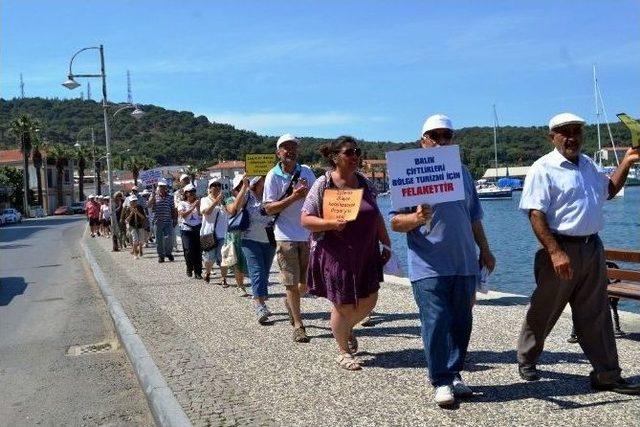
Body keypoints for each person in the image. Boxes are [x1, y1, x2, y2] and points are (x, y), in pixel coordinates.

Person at [516, 112, 640, 395]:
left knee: (596, 313)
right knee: (545, 310)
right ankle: (527, 358)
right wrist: (556, 252)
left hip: (592, 247)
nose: (571, 137)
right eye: (564, 132)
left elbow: (607, 190)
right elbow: (536, 214)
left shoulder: (587, 164)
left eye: (576, 131)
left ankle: (607, 374)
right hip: (559, 248)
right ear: (553, 137)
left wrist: (627, 162)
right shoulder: (543, 168)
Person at [390, 114, 495, 406]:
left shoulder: (462, 172)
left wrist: (485, 250)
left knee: (462, 321)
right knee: (436, 321)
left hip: (463, 262)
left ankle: (455, 372)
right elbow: (396, 223)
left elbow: (474, 217)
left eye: (446, 136)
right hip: (428, 264)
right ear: (423, 140)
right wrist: (416, 217)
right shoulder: (407, 173)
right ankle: (440, 380)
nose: (441, 141)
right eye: (434, 136)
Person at [301, 136, 391, 370]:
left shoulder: (364, 182)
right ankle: (343, 351)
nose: (355, 157)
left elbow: (377, 214)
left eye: (357, 152)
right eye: (349, 152)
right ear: (335, 157)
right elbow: (305, 219)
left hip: (367, 252)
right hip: (336, 254)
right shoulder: (323, 184)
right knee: (343, 304)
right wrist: (330, 223)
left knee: (370, 299)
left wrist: (387, 243)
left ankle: (343, 329)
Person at [263, 133, 317, 343]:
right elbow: (268, 208)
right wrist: (294, 196)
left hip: (307, 234)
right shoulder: (273, 176)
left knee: (305, 285)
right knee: (291, 284)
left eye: (293, 147)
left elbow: (317, 196)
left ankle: (290, 304)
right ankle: (298, 324)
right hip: (284, 235)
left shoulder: (307, 172)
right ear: (278, 152)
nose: (290, 150)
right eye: (285, 147)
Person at [239, 176, 276, 324]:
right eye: (262, 178)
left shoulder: (272, 194)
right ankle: (259, 304)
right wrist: (244, 186)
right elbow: (235, 208)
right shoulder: (248, 194)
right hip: (249, 239)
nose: (265, 180)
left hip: (269, 239)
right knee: (257, 271)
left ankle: (261, 297)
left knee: (265, 272)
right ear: (255, 182)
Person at [199, 179, 229, 284]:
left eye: (218, 185)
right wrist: (215, 202)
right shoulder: (204, 200)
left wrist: (223, 203)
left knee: (223, 257)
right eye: (214, 185)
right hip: (209, 233)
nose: (216, 187)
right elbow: (206, 212)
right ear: (210, 188)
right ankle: (207, 272)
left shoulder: (224, 200)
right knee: (209, 257)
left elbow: (230, 213)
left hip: (222, 234)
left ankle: (223, 278)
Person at [225, 174, 250, 296]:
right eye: (239, 186)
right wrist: (244, 188)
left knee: (249, 260)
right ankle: (240, 285)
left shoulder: (250, 198)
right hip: (235, 235)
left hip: (249, 232)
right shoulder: (229, 200)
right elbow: (233, 209)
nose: (242, 188)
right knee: (238, 261)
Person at [178, 183, 203, 279]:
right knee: (188, 251)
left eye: (193, 192)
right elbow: (183, 215)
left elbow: (202, 215)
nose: (192, 194)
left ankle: (198, 272)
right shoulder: (182, 203)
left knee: (198, 251)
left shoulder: (199, 202)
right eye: (190, 192)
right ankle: (189, 267)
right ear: (186, 194)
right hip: (186, 229)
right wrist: (192, 207)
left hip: (197, 228)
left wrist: (198, 207)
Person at [148, 179, 177, 263]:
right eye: (161, 187)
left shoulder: (170, 197)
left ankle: (168, 253)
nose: (162, 188)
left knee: (169, 238)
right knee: (159, 240)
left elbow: (172, 208)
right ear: (158, 187)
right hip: (158, 222)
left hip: (168, 221)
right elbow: (149, 205)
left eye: (164, 187)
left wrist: (174, 219)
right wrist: (153, 197)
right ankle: (161, 255)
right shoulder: (154, 196)